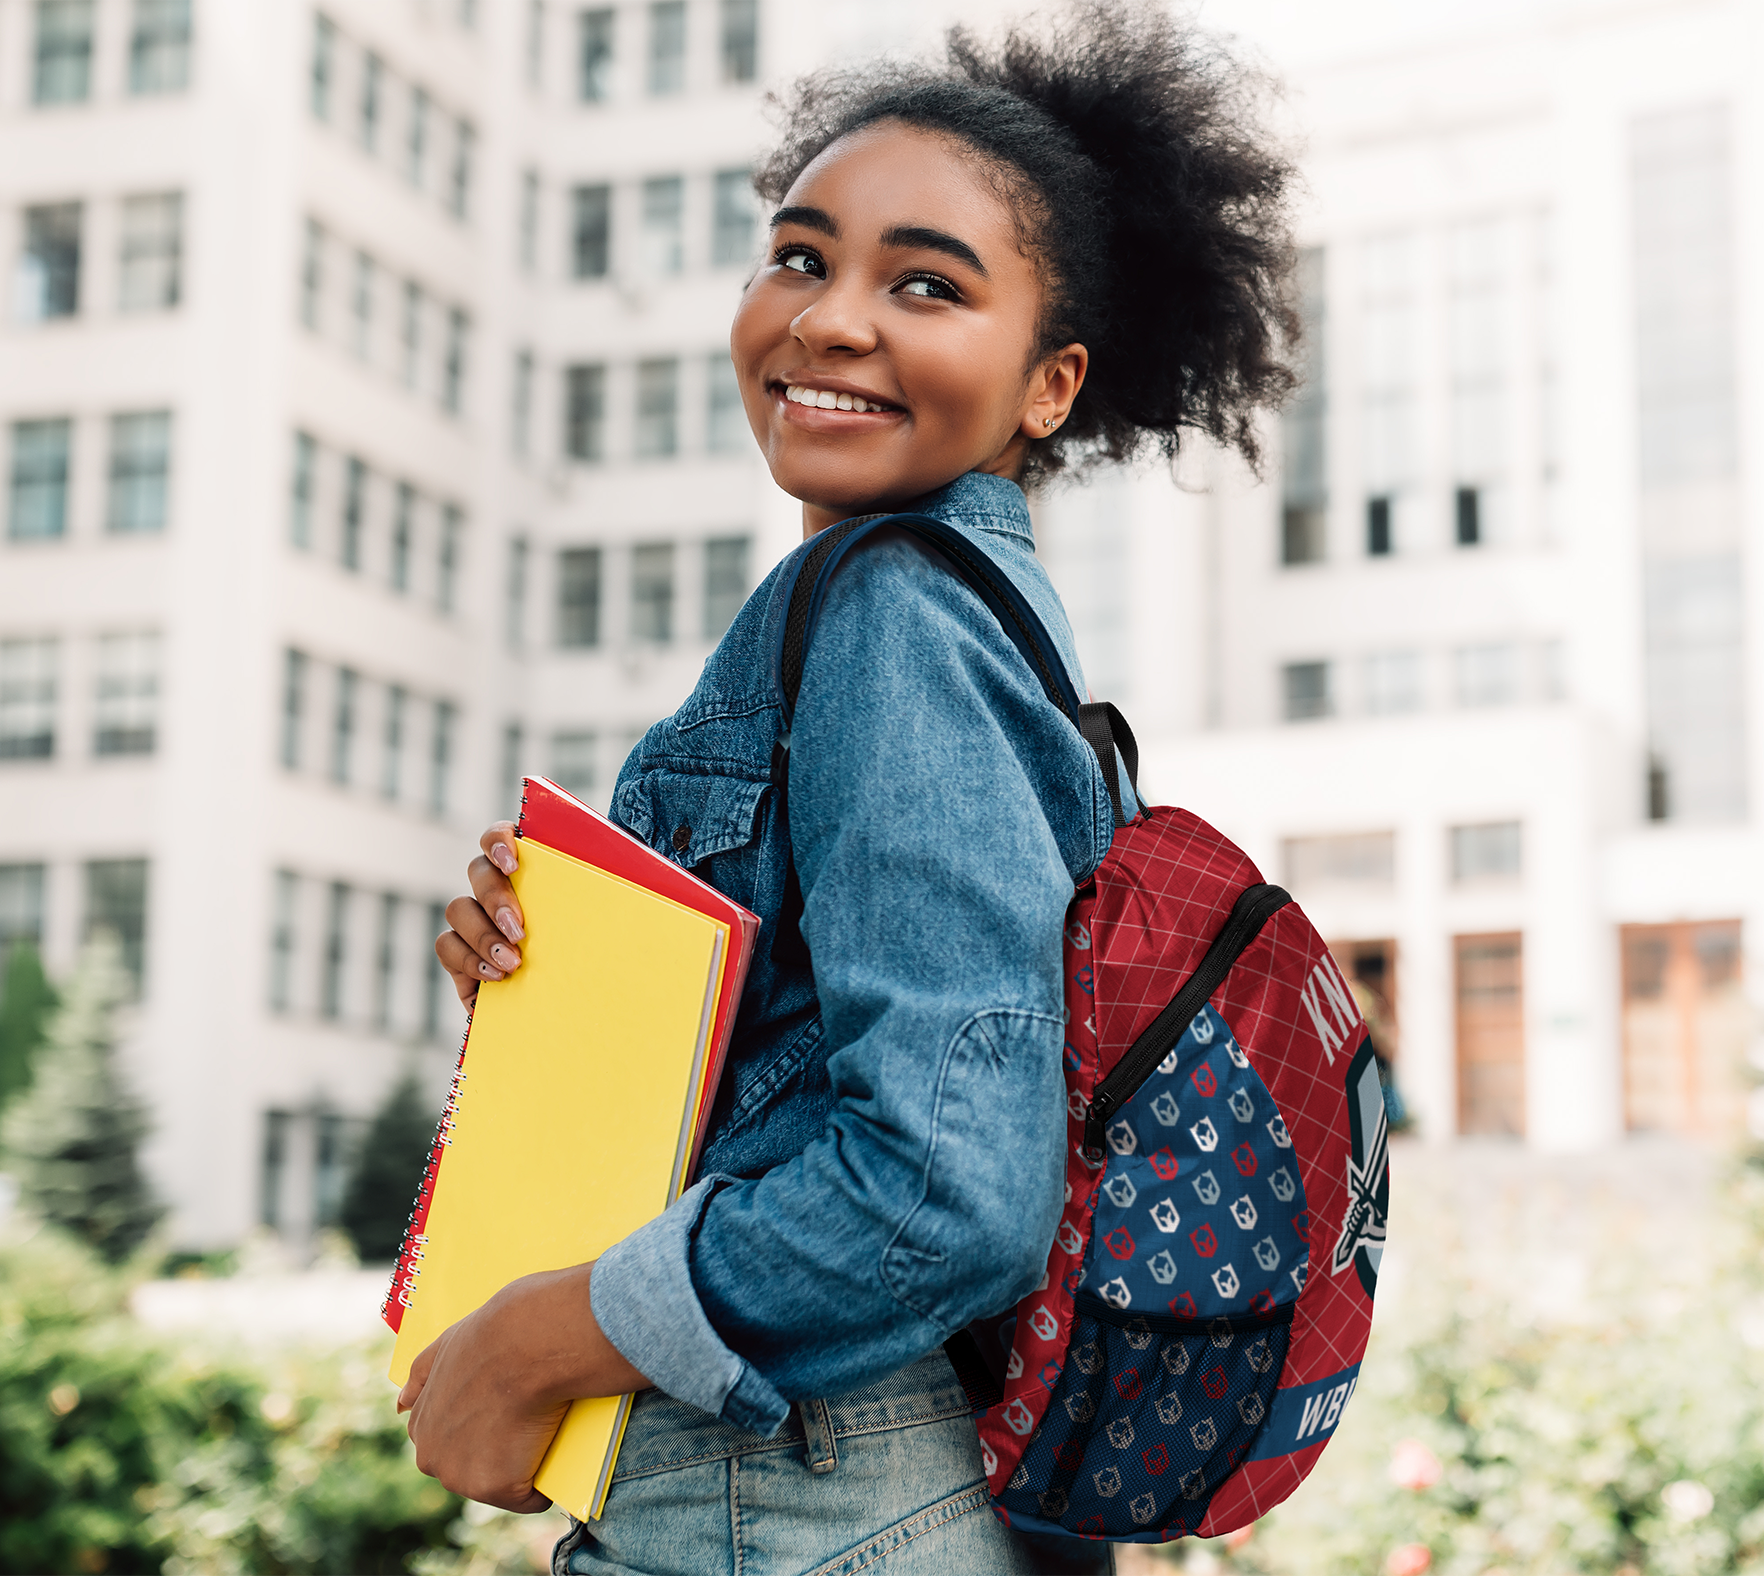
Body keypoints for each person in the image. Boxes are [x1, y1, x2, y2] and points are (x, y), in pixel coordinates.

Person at [403, 7, 1302, 1572]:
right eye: (800, 257)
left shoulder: (895, 615)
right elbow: (810, 1071)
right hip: (873, 1486)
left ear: (1049, 384)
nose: (828, 319)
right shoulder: (958, 626)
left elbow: (944, 1188)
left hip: (802, 1491)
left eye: (928, 285)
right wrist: (563, 969)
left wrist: (536, 1344)